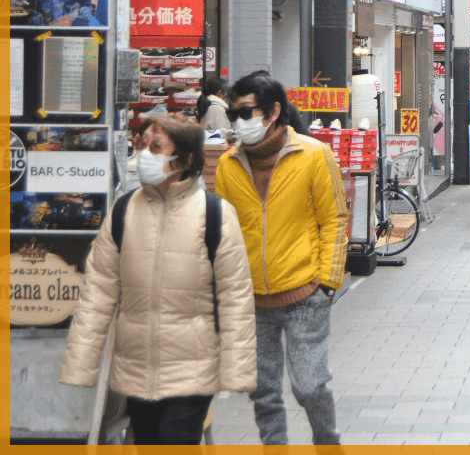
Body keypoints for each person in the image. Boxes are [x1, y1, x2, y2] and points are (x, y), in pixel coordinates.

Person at [61, 115, 256, 444]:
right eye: (142, 146)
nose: (144, 155)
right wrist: (81, 364)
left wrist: (238, 370)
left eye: (156, 147)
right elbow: (97, 294)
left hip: (191, 372)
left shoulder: (215, 215)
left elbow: (235, 297)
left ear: (185, 159)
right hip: (135, 372)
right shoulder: (123, 213)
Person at [214, 72, 349, 446]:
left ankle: (327, 441)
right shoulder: (228, 165)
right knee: (263, 391)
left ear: (274, 110)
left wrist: (327, 282)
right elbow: (224, 232)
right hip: (251, 299)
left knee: (309, 386)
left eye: (246, 113)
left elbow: (335, 218)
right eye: (233, 115)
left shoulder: (313, 154)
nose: (239, 122)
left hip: (305, 293)